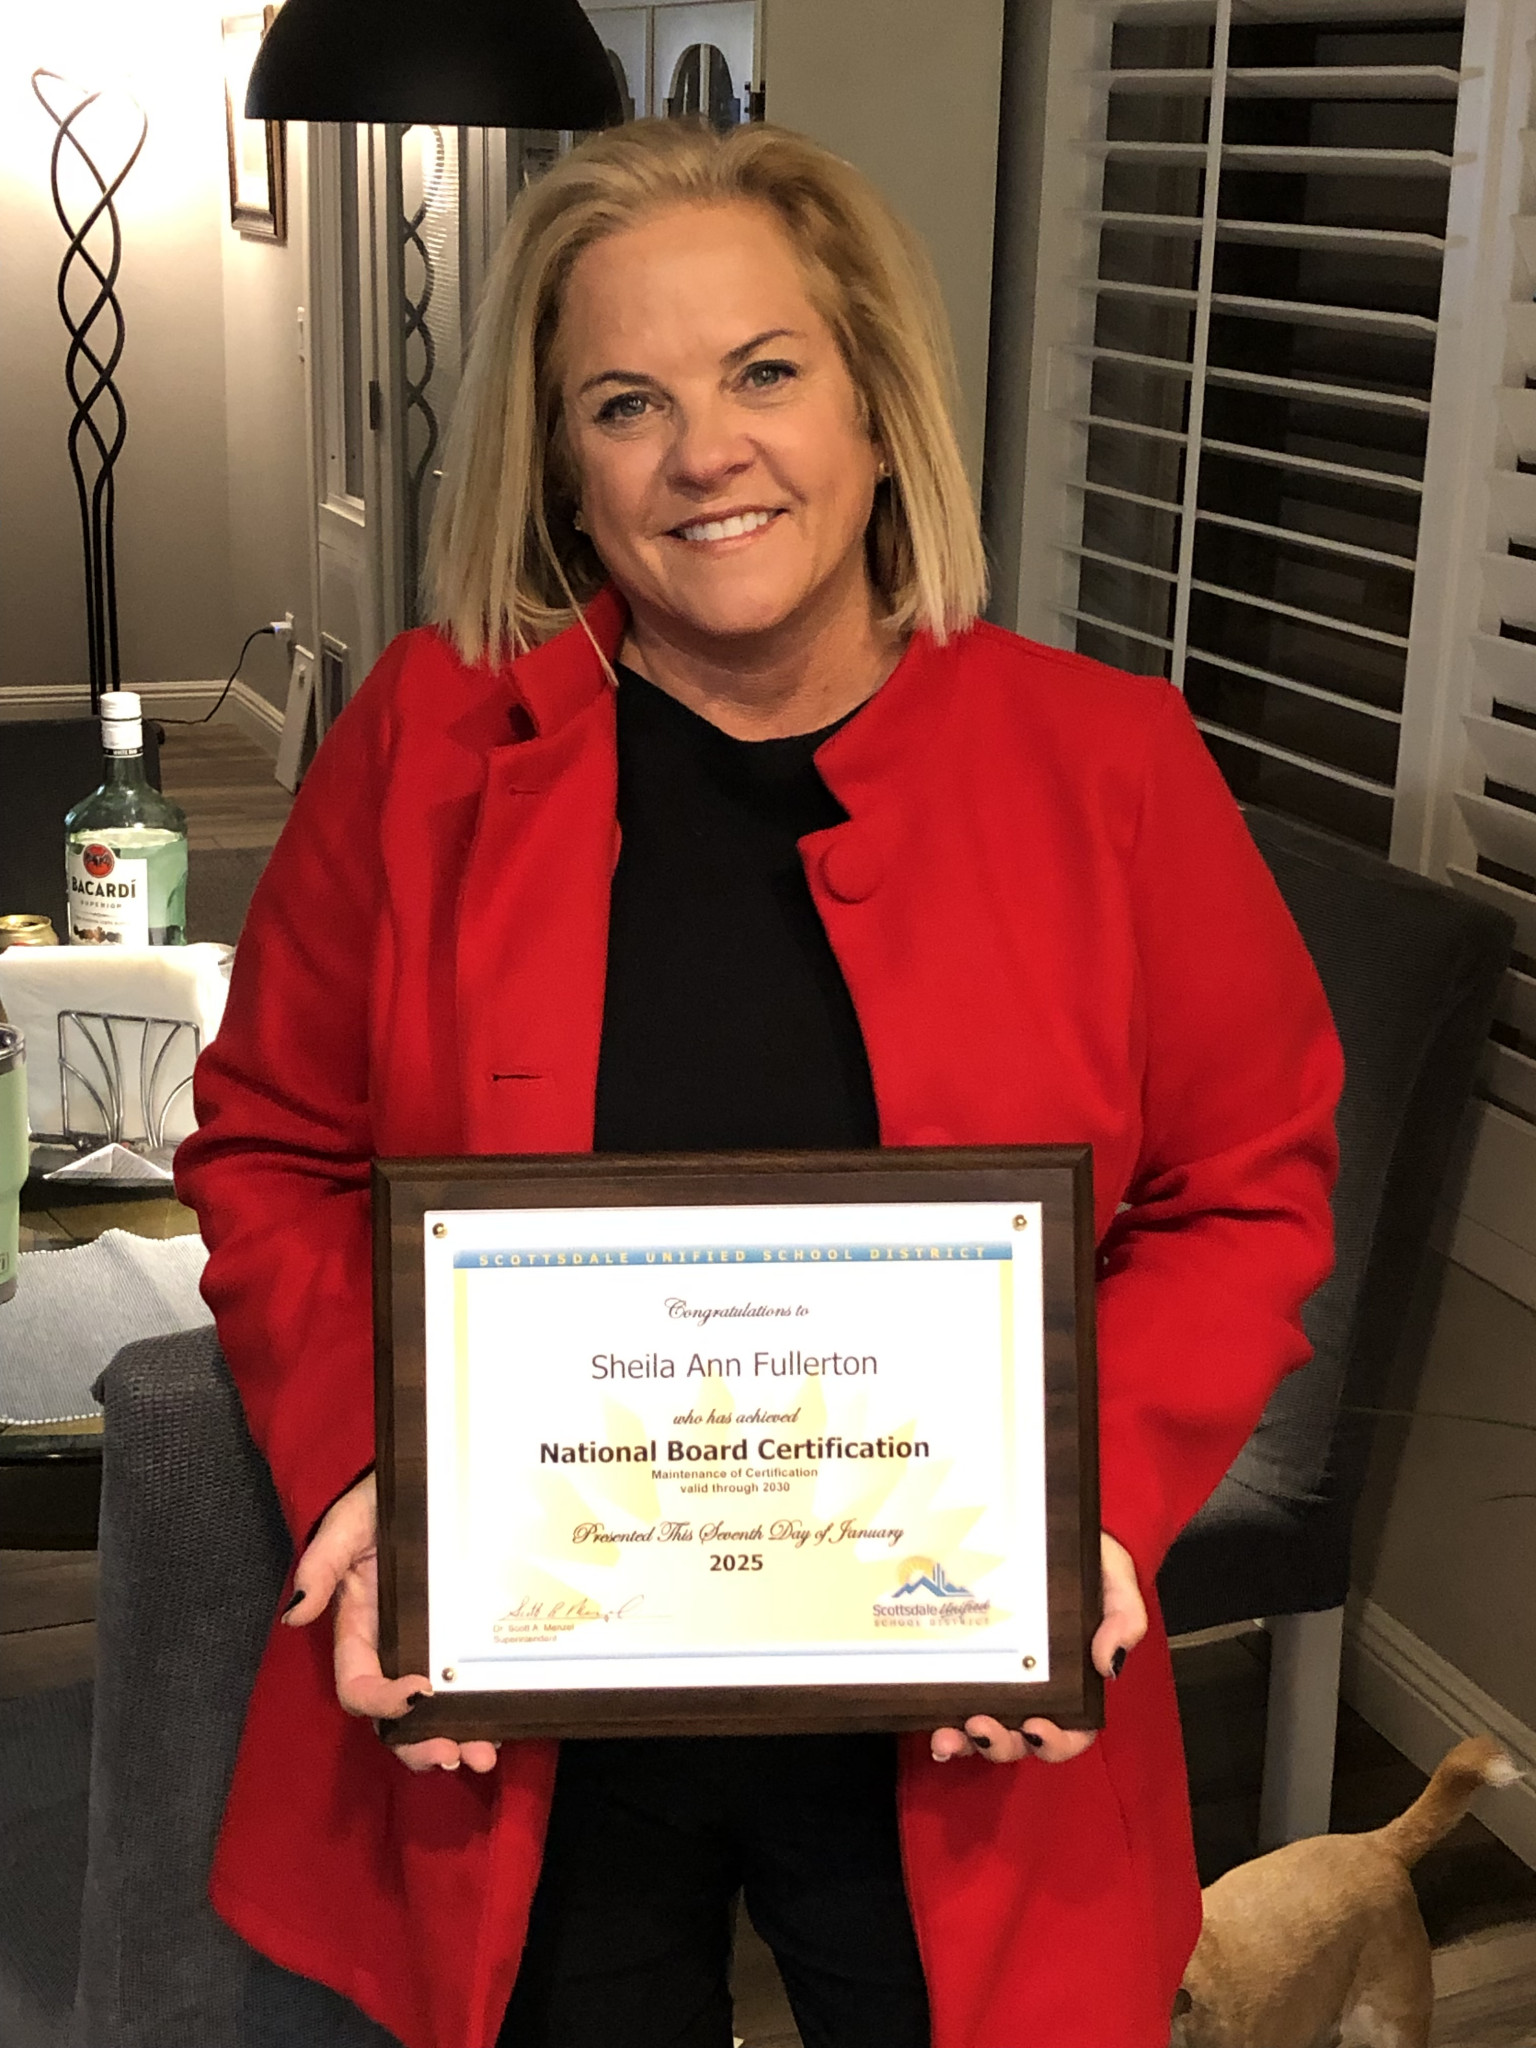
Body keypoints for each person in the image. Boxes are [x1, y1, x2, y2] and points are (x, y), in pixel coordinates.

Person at [174, 118, 1341, 2048]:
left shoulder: (1111, 765)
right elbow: (274, 1146)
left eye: (764, 373)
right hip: (537, 1698)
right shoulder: (428, 742)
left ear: (876, 410)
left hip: (957, 1702)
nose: (704, 453)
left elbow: (1246, 1187)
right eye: (625, 403)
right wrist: (376, 1469)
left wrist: (1092, 1508)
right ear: (566, 471)